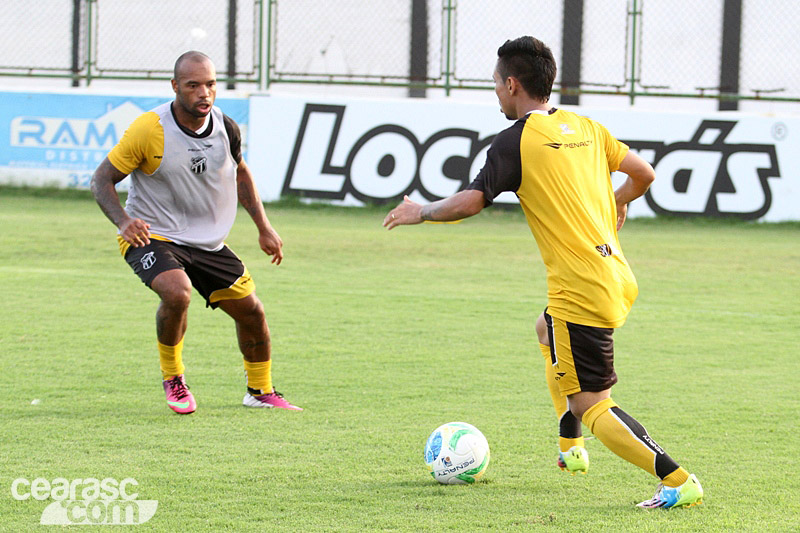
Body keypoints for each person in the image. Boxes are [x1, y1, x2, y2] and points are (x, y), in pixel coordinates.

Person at [384, 36, 702, 509]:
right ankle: (570, 446)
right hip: (614, 272)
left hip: (580, 286)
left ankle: (677, 480)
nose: (495, 91)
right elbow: (645, 174)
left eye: (495, 83)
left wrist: (421, 212)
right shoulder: (587, 126)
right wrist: (617, 201)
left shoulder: (515, 140)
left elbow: (472, 201)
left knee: (592, 403)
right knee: (544, 327)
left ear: (512, 84)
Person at [91, 51, 301, 414]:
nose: (204, 93)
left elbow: (241, 173)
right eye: (193, 86)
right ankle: (173, 378)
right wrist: (124, 221)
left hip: (207, 242)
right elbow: (101, 180)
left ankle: (260, 391)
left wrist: (264, 227)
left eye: (210, 84)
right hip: (150, 234)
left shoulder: (226, 127)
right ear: (175, 87)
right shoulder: (149, 129)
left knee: (252, 312)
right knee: (178, 292)